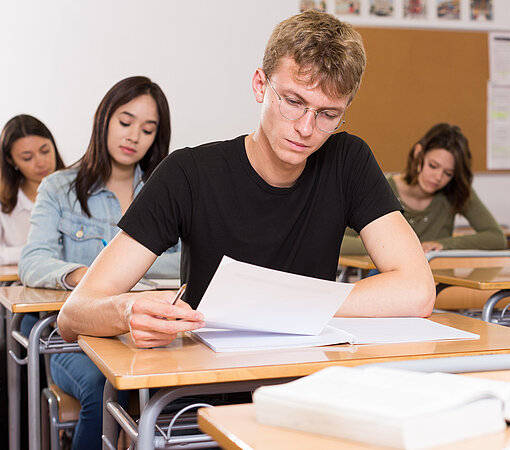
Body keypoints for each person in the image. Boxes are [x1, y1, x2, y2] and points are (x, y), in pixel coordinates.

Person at [57, 10, 435, 349]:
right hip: (204, 387)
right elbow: (73, 315)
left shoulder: (347, 160)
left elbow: (417, 291)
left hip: (307, 378)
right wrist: (126, 310)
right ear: (259, 85)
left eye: (327, 114)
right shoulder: (188, 174)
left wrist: (287, 304)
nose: (306, 128)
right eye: (292, 101)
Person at [20, 76, 180, 450]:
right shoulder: (59, 187)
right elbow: (33, 261)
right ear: (104, 119)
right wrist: (91, 278)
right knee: (102, 388)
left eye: (147, 129)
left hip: (146, 334)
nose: (134, 136)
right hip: (71, 337)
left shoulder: (164, 190)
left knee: (176, 390)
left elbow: (187, 262)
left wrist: (123, 273)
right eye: (125, 122)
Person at [340, 123, 506, 254]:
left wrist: (444, 245)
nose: (438, 177)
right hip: (389, 280)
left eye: (448, 173)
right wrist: (390, 249)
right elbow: (337, 240)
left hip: (438, 281)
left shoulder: (455, 190)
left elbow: (496, 238)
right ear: (418, 154)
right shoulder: (382, 189)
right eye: (433, 166)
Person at [0, 115, 65, 265]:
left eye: (45, 151)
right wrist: (38, 252)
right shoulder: (5, 200)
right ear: (11, 160)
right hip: (15, 284)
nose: (41, 163)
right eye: (27, 158)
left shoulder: (79, 190)